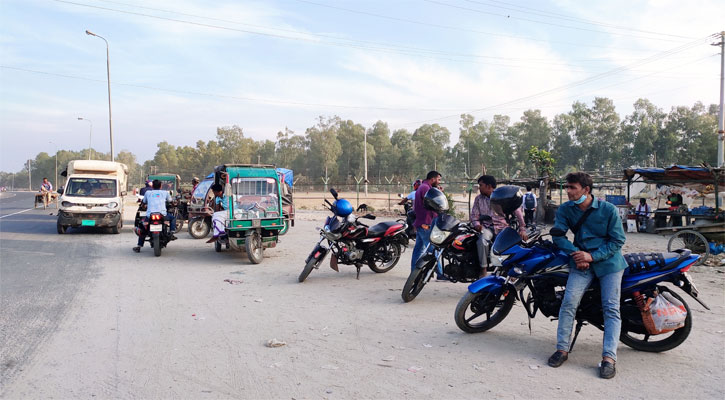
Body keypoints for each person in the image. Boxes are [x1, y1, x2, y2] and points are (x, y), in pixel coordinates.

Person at [547, 172, 627, 379]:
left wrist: (592, 256)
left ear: (586, 190)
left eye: (572, 187)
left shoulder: (608, 210)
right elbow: (558, 236)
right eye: (567, 187)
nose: (568, 191)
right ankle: (562, 350)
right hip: (580, 262)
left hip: (609, 263)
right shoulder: (565, 209)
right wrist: (578, 255)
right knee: (568, 303)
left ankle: (609, 358)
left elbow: (617, 241)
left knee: (611, 308)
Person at [470, 175, 528, 277]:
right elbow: (474, 215)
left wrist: (522, 229)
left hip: (502, 227)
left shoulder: (502, 196)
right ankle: (483, 269)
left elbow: (518, 212)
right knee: (482, 240)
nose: (479, 187)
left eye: (481, 185)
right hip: (486, 227)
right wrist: (477, 225)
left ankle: (510, 272)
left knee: (510, 245)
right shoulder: (478, 199)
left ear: (488, 186)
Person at [410, 171, 446, 279]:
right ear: (433, 179)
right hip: (426, 222)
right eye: (438, 179)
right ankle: (440, 273)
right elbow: (435, 204)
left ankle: (413, 273)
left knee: (418, 249)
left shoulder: (424, 187)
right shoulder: (426, 188)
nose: (439, 182)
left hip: (421, 221)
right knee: (432, 249)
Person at [133, 180, 177, 252]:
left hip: (150, 215)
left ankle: (139, 246)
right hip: (162, 214)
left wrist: (144, 205)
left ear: (152, 186)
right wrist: (173, 204)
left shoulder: (148, 193)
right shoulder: (165, 193)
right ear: (161, 186)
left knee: (143, 227)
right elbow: (170, 201)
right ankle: (172, 232)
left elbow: (143, 203)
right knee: (173, 218)